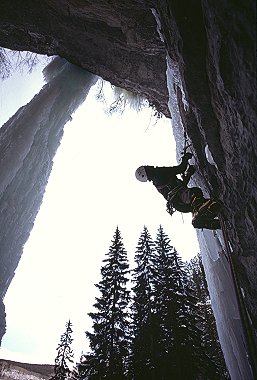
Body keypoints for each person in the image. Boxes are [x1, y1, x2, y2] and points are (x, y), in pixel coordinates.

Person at [135, 152, 221, 229]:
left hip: (180, 205)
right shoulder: (159, 172)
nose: (148, 166)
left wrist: (188, 175)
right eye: (146, 167)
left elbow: (179, 187)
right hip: (184, 197)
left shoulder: (157, 185)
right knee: (196, 193)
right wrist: (185, 158)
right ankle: (206, 207)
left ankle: (208, 220)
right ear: (146, 170)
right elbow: (181, 169)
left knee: (196, 211)